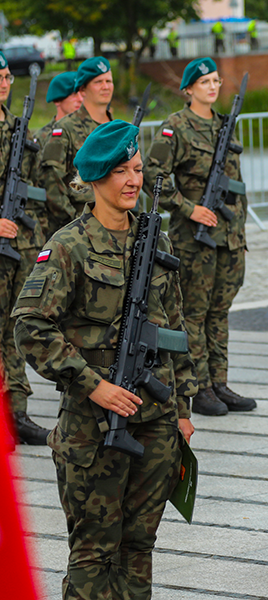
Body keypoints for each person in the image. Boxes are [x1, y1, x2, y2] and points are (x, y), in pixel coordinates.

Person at [13, 119, 197, 598]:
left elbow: (175, 327)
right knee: (94, 551)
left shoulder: (156, 238)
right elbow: (29, 327)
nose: (133, 180)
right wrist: (94, 384)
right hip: (92, 425)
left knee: (139, 545)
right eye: (121, 172)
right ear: (94, 179)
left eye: (137, 169)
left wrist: (182, 409)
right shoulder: (69, 246)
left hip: (155, 419)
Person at [143, 58, 256, 417]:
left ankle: (219, 382)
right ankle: (198, 387)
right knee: (193, 313)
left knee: (220, 312)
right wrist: (187, 207)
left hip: (228, 236)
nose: (212, 86)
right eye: (204, 81)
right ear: (188, 88)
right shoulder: (175, 127)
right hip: (194, 237)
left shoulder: (225, 126)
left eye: (216, 80)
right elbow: (152, 175)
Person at [0, 50, 50, 445]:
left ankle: (18, 412)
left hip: (18, 244)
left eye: (6, 76)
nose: (4, 82)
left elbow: (38, 182)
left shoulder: (19, 129)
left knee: (16, 328)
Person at [38, 56, 113, 237]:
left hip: (117, 226)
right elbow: (51, 184)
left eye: (109, 81)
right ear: (82, 89)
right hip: (80, 231)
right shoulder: (65, 129)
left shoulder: (117, 129)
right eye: (98, 82)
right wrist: (78, 223)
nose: (105, 86)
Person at [35, 71, 82, 241]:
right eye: (73, 94)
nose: (80, 99)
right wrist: (77, 219)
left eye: (81, 93)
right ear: (58, 100)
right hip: (60, 224)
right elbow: (49, 183)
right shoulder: (43, 137)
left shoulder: (86, 132)